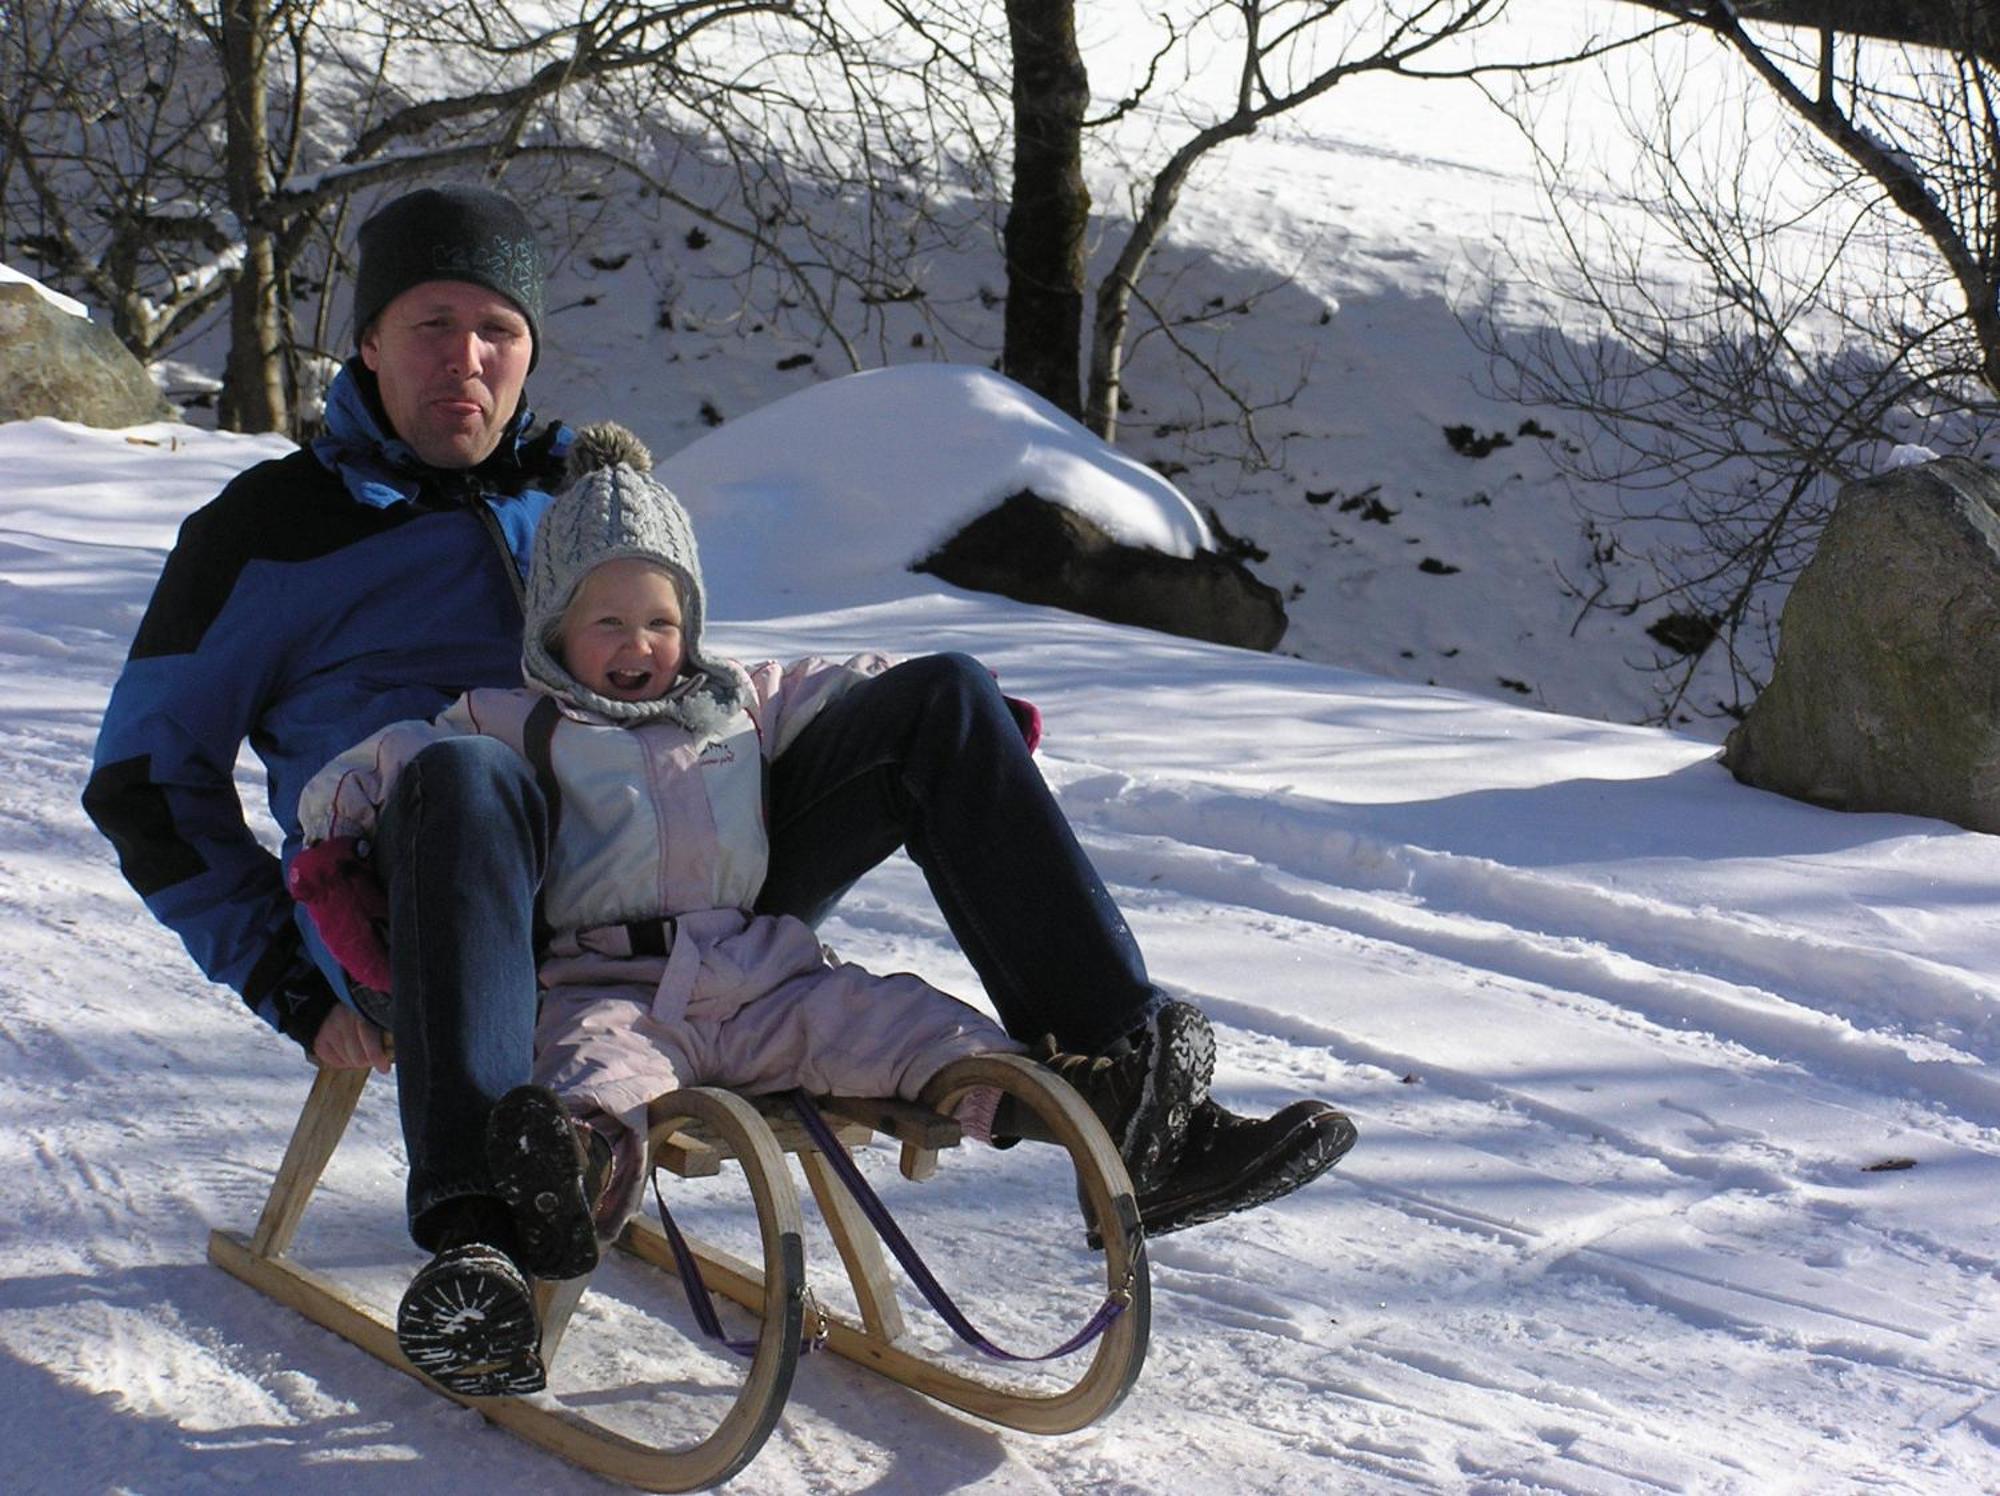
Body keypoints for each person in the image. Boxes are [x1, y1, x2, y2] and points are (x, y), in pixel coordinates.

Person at [82, 182, 1355, 1383]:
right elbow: (143, 782)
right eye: (429, 326)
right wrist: (291, 981)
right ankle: (479, 1238)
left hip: (663, 877)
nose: (463, 359)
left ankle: (1131, 1103)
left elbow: (688, 676)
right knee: (465, 769)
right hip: (436, 902)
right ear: (366, 343)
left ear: (530, 352)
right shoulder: (265, 532)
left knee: (940, 698)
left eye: (495, 330)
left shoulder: (573, 493)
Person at [293, 429, 1192, 1392]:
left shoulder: (741, 702)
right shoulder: (504, 719)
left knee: (900, 1020)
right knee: (591, 1084)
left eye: (659, 621)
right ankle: (569, 1186)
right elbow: (379, 771)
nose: (637, 646)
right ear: (553, 630)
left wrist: (984, 729)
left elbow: (859, 683)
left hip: (761, 970)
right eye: (605, 624)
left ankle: (1081, 1100)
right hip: (609, 982)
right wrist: (334, 860)